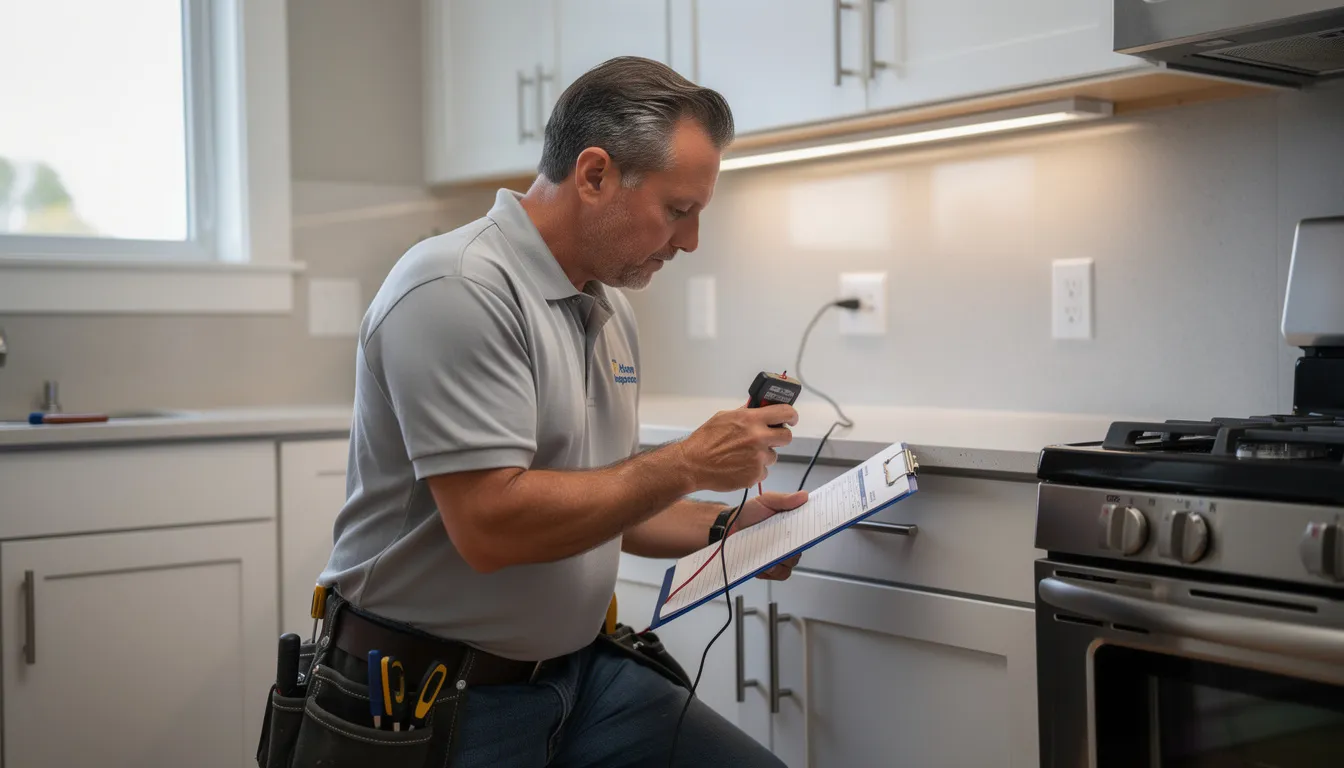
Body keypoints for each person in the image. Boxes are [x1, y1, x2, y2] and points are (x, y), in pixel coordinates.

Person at [305, 56, 805, 768]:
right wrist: (689, 462)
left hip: (581, 677)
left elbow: (603, 500)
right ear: (594, 175)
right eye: (678, 210)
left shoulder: (609, 309)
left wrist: (725, 528)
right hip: (434, 698)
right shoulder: (457, 286)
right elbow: (492, 526)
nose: (690, 241)